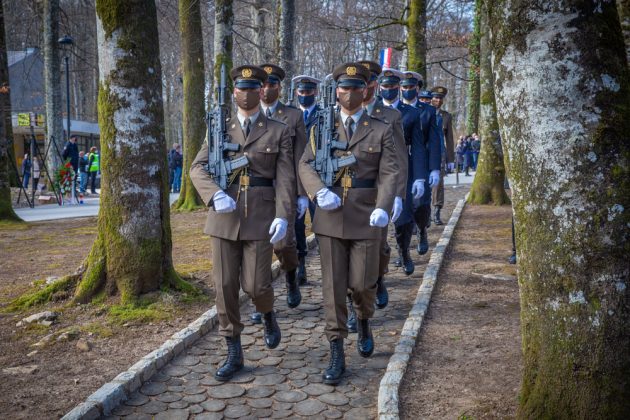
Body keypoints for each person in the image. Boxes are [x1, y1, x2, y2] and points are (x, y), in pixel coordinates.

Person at [190, 65, 294, 382]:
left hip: (260, 216)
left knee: (256, 284)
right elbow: (197, 167)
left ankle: (267, 313)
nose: (246, 94)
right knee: (224, 286)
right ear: (234, 92)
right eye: (241, 89)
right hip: (224, 217)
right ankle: (233, 349)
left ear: (261, 91)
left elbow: (285, 178)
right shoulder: (219, 128)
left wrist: (283, 215)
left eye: (252, 89)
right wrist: (214, 195)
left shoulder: (277, 130)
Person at [299, 62, 398, 385]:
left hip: (367, 215)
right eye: (344, 88)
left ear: (365, 90)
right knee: (333, 288)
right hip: (330, 216)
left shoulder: (380, 127)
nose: (350, 93)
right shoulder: (321, 128)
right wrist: (318, 191)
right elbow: (305, 164)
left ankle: (364, 320)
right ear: (337, 91)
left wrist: (384, 206)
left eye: (356, 88)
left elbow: (390, 171)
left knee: (363, 284)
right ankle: (336, 349)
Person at [246, 63, 307, 325]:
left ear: (279, 87)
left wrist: (302, 194)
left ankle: (291, 275)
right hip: (255, 194)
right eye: (263, 84)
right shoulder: (248, 115)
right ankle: (261, 304)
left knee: (283, 244)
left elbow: (301, 157)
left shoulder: (293, 116)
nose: (267, 89)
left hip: (284, 190)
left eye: (272, 84)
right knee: (256, 250)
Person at [356, 60, 407, 320]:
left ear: (375, 85)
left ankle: (378, 278)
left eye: (370, 82)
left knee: (378, 245)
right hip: (351, 193)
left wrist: (397, 195)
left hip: (380, 192)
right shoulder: (339, 113)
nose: (365, 87)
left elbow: (398, 159)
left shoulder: (390, 116)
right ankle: (356, 304)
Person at [401, 75, 441, 256]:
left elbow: (434, 140)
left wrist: (434, 168)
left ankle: (422, 229)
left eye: (411, 87)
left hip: (420, 162)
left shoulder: (428, 111)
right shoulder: (392, 109)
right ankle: (402, 249)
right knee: (402, 206)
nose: (407, 90)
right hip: (398, 163)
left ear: (417, 88)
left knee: (420, 204)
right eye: (404, 87)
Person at [292, 74, 321, 285]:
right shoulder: (291, 116)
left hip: (317, 177)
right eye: (301, 92)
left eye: (308, 92)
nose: (305, 95)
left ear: (315, 92)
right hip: (295, 177)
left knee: (321, 223)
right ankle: (300, 265)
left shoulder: (324, 115)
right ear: (296, 93)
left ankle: (327, 261)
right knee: (297, 225)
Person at [430, 86, 455, 225]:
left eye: (440, 98)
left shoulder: (446, 116)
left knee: (438, 184)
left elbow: (449, 138)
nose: (438, 100)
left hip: (440, 154)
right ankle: (424, 213)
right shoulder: (423, 112)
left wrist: (451, 159)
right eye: (435, 97)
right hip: (425, 152)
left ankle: (437, 211)